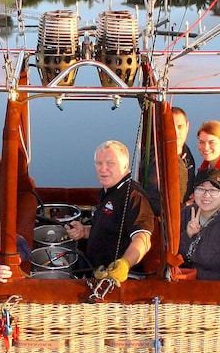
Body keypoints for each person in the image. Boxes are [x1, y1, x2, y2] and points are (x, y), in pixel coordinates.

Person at [65, 141, 155, 283]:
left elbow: (143, 238)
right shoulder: (109, 190)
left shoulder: (134, 197)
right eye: (99, 163)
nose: (103, 168)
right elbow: (111, 228)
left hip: (113, 281)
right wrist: (84, 231)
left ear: (125, 165)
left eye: (110, 163)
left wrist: (124, 264)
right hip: (92, 270)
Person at [178, 169, 220, 281]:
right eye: (201, 189)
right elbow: (173, 257)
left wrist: (194, 275)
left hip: (214, 289)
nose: (206, 195)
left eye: (213, 190)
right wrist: (187, 235)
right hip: (181, 283)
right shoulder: (185, 213)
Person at [173, 107, 197, 204]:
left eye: (180, 126)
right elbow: (153, 201)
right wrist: (185, 207)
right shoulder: (157, 159)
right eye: (171, 127)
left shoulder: (187, 153)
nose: (176, 132)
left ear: (187, 127)